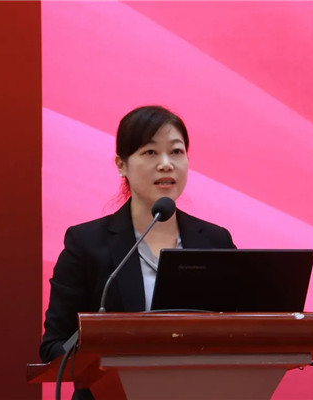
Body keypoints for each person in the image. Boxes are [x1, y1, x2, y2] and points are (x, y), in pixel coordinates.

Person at [39, 105, 236, 399]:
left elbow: (239, 330)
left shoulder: (215, 241)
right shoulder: (86, 243)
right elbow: (53, 346)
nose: (166, 164)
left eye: (176, 151)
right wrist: (107, 356)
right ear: (121, 165)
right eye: (150, 152)